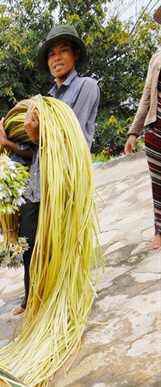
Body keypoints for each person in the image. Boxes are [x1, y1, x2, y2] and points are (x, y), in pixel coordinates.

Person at [0, 25, 100, 314]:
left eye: (63, 50)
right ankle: (32, 299)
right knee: (29, 243)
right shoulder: (44, 102)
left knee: (63, 245)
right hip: (38, 184)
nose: (56, 58)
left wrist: (38, 134)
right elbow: (32, 153)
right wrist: (7, 143)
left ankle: (67, 299)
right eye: (51, 54)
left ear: (75, 54)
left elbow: (70, 135)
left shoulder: (86, 87)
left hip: (65, 183)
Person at [124, 8, 161, 251]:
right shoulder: (156, 58)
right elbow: (146, 96)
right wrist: (133, 132)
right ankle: (160, 232)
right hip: (156, 127)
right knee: (158, 182)